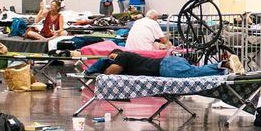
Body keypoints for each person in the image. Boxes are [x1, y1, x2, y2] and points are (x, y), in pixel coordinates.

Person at [85, 50, 224, 78]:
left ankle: (222, 65)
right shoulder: (129, 59)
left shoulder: (122, 56)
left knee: (193, 73)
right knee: (195, 71)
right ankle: (223, 68)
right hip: (169, 62)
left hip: (165, 67)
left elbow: (110, 72)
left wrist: (103, 65)